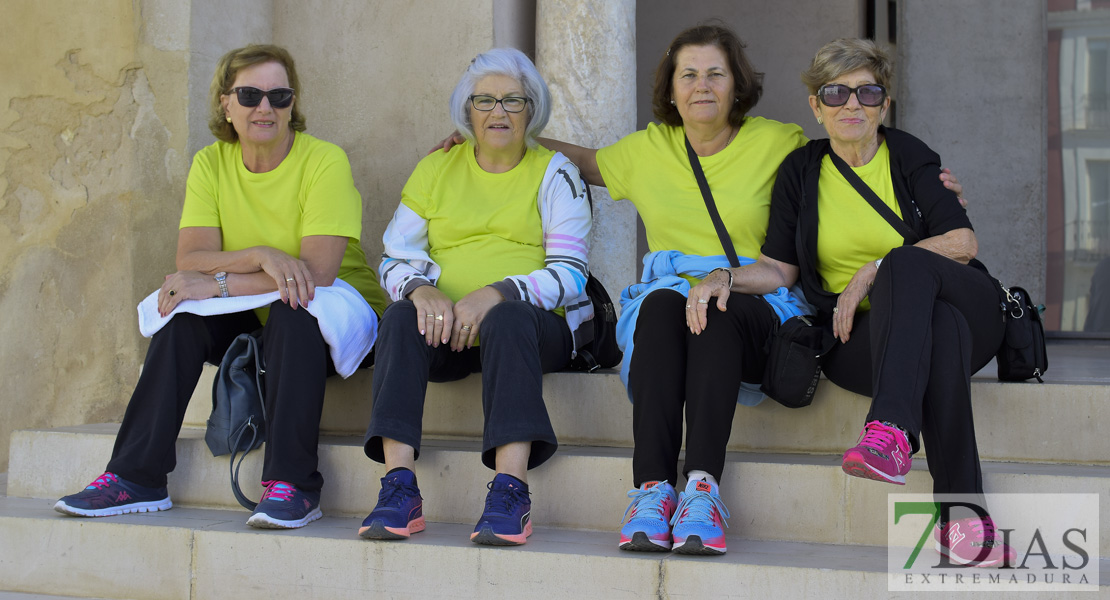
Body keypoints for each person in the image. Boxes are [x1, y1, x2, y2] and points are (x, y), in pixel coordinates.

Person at [434, 24, 963, 557]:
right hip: (672, 300)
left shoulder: (781, 142)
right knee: (664, 303)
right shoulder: (646, 151)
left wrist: (930, 185)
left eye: (716, 73)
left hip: (758, 298)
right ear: (670, 88)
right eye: (688, 74)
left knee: (713, 308)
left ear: (737, 86)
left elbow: (847, 157)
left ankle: (704, 489)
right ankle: (652, 492)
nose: (702, 85)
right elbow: (588, 162)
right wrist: (498, 131)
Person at [704, 38, 1014, 567]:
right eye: (837, 92)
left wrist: (873, 272)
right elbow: (780, 270)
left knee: (905, 265)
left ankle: (889, 431)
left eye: (868, 92)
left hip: (970, 307)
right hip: (867, 338)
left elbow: (963, 244)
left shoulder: (910, 155)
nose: (853, 104)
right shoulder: (801, 173)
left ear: (884, 104)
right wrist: (722, 277)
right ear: (815, 104)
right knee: (935, 333)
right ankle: (963, 518)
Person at [54, 44, 387, 530]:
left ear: (294, 104)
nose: (265, 107)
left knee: (293, 306)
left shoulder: (324, 161)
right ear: (225, 105)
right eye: (250, 94)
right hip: (259, 303)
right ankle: (136, 476)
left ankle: (293, 485)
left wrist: (222, 282)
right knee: (181, 313)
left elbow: (316, 272)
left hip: (334, 304)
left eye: (279, 95)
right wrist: (260, 257)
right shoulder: (211, 164)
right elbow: (190, 260)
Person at [358, 47, 591, 546]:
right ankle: (398, 486)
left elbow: (570, 272)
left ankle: (511, 492)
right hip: (451, 332)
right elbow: (394, 257)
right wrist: (422, 290)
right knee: (399, 316)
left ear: (533, 110)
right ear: (467, 112)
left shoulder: (556, 172)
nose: (498, 112)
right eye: (484, 101)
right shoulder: (436, 168)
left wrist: (497, 294)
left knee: (507, 318)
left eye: (513, 100)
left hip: (533, 330)